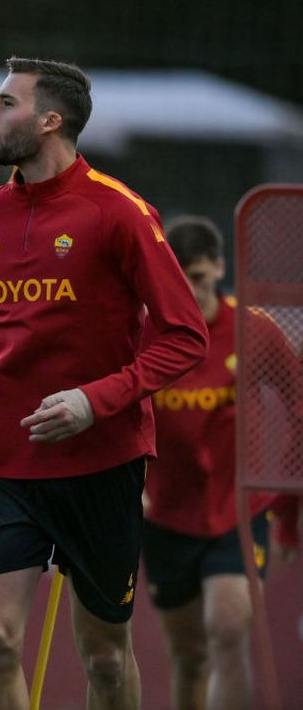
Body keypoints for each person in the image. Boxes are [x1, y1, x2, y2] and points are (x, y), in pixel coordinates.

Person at [0, 57, 209, 710]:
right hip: (5, 462)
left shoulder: (121, 213)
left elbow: (187, 336)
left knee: (102, 656)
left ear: (50, 120)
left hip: (102, 464)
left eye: (4, 105)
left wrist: (95, 402)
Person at [143, 214, 303, 710]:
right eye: (181, 279)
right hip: (164, 515)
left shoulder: (253, 331)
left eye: (201, 278)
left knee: (229, 629)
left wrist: (288, 519)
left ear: (218, 268)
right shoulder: (145, 333)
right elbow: (114, 410)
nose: (191, 291)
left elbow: (299, 413)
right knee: (188, 653)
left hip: (237, 511)